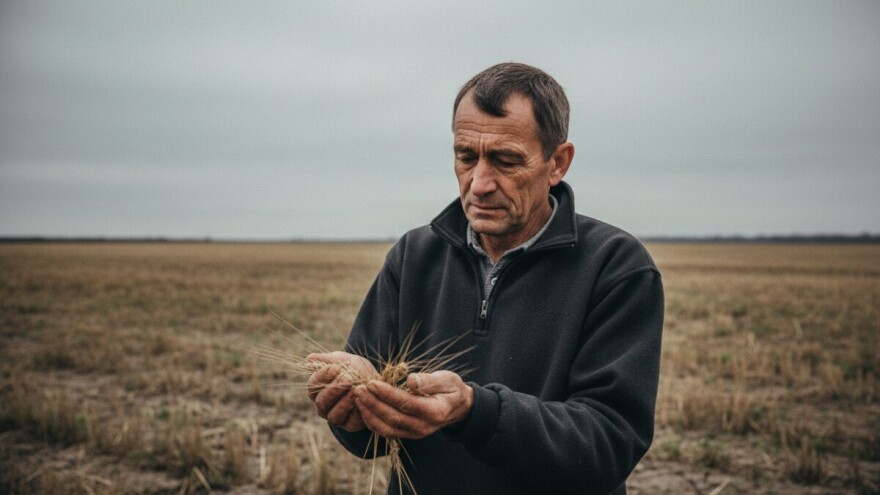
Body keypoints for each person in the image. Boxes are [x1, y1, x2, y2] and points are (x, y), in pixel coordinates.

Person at [307, 62, 664, 495]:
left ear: (558, 163)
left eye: (505, 160)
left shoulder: (617, 267)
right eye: (465, 156)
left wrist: (474, 412)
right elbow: (369, 441)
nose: (479, 184)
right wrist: (353, 408)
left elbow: (608, 445)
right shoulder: (414, 256)